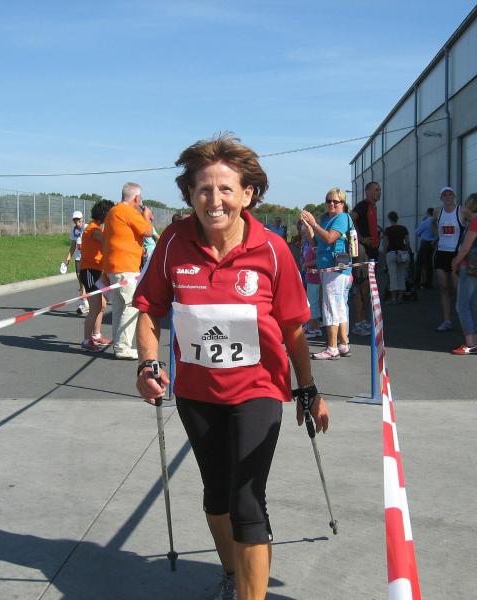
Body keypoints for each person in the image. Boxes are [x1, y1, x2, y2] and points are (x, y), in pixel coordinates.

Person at [133, 134, 329, 600]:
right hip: (197, 393)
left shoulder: (272, 249)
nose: (214, 200)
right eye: (203, 189)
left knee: (246, 500)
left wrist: (308, 390)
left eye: (225, 189)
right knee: (217, 496)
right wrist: (147, 364)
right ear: (190, 195)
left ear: (248, 194)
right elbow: (149, 309)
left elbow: (293, 329)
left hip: (258, 389)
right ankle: (232, 573)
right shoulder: (173, 241)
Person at [301, 188, 353, 359]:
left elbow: (330, 238)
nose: (331, 204)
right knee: (339, 307)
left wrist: (314, 224)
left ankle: (332, 347)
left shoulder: (342, 218)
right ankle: (343, 344)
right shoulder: (326, 219)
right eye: (328, 200)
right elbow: (317, 244)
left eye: (335, 201)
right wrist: (310, 228)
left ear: (342, 204)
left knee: (331, 308)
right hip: (330, 269)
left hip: (336, 270)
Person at [102, 182, 152, 360]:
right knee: (131, 306)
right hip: (126, 267)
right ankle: (123, 347)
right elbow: (147, 231)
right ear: (137, 198)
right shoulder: (129, 211)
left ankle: (119, 344)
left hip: (113, 267)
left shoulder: (113, 212)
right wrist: (146, 216)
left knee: (119, 307)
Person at [449, 193, 477, 355]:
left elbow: (466, 247)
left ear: (470, 206)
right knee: (473, 304)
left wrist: (456, 261)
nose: (462, 209)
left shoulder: (475, 223)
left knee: (462, 305)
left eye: (465, 205)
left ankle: (470, 343)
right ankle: (474, 342)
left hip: (469, 268)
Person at [79, 200, 115, 352]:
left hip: (97, 271)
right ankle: (86, 341)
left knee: (102, 305)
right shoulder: (92, 229)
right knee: (95, 307)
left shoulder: (97, 228)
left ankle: (96, 335)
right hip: (89, 271)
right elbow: (106, 239)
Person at [351, 181, 381, 336]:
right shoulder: (362, 206)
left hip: (372, 251)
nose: (379, 192)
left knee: (367, 288)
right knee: (360, 286)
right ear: (367, 191)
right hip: (363, 252)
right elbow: (351, 218)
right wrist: (361, 238)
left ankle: (362, 321)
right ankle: (358, 323)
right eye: (376, 190)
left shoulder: (372, 208)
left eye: (379, 190)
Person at [432, 186, 463, 331]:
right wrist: (437, 236)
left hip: (455, 253)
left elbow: (473, 223)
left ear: (454, 197)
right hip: (441, 253)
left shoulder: (461, 211)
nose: (448, 197)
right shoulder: (438, 212)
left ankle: (464, 319)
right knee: (443, 287)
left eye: (450, 194)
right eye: (445, 195)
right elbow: (432, 223)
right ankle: (446, 320)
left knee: (457, 289)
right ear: (441, 198)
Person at [63, 210, 89, 315]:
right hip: (78, 259)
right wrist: (67, 259)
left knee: (85, 280)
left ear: (82, 219)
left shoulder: (88, 228)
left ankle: (84, 303)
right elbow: (73, 246)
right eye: (75, 220)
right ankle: (84, 302)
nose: (77, 221)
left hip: (88, 258)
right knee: (81, 281)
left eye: (78, 219)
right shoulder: (74, 231)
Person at [383, 211, 412, 304]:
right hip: (402, 253)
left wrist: (384, 255)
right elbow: (408, 242)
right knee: (401, 275)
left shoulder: (387, 230)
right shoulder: (403, 228)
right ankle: (400, 298)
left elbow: (385, 244)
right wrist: (405, 251)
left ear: (389, 219)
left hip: (391, 253)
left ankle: (393, 298)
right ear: (397, 218)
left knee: (392, 276)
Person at [300, 225, 322, 339]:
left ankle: (313, 328)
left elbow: (319, 259)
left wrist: (306, 264)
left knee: (312, 303)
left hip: (315, 277)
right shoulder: (308, 243)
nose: (303, 235)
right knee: (313, 303)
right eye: (303, 233)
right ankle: (315, 326)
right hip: (310, 276)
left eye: (305, 232)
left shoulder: (314, 244)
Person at [413, 207, 436, 289]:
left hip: (425, 243)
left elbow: (417, 232)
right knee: (429, 264)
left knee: (419, 263)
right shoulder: (436, 221)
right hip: (433, 244)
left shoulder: (425, 221)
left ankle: (417, 283)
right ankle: (429, 283)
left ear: (427, 213)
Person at [140, 205, 159, 273]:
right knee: (149, 270)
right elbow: (157, 237)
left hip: (145, 250)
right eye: (151, 214)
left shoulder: (141, 225)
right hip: (150, 250)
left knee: (145, 269)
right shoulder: (149, 226)